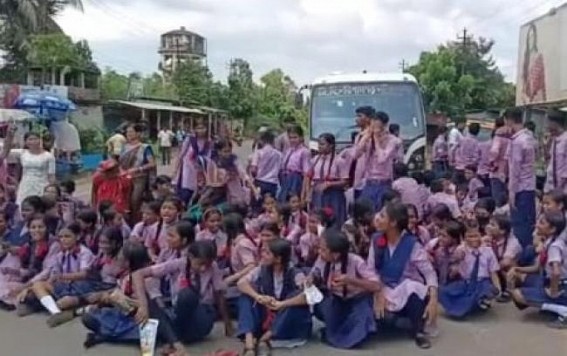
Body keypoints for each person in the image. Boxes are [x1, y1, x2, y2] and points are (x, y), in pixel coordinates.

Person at [370, 201, 437, 349]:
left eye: (382, 216)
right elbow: (371, 272)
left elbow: (429, 273)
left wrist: (433, 299)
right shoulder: (376, 240)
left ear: (393, 222)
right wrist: (379, 294)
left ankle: (417, 331)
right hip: (382, 288)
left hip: (405, 290)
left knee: (413, 288)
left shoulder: (412, 244)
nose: (377, 218)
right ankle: (401, 324)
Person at [237, 239, 312, 355]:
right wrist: (258, 297)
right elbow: (241, 283)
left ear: (278, 259)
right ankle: (249, 343)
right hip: (268, 313)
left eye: (267, 253)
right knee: (246, 297)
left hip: (285, 317)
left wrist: (282, 304)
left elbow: (310, 295)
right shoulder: (261, 269)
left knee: (295, 298)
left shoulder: (295, 272)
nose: (263, 256)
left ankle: (265, 339)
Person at [309, 229, 380, 349]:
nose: (320, 252)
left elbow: (376, 285)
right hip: (336, 299)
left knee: (360, 321)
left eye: (324, 250)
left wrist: (351, 280)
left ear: (335, 254)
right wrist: (310, 279)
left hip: (357, 300)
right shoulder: (323, 259)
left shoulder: (355, 261)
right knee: (323, 307)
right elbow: (315, 272)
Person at [439, 220, 501, 318]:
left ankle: (481, 300)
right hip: (466, 283)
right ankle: (468, 305)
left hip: (482, 282)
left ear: (481, 235)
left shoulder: (488, 251)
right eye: (470, 236)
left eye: (476, 236)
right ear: (464, 238)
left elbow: (493, 272)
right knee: (442, 291)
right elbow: (453, 268)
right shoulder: (461, 250)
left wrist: (498, 288)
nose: (473, 239)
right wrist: (458, 259)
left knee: (488, 290)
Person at [505, 107, 537, 250]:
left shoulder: (517, 141)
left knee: (519, 224)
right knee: (528, 221)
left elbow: (515, 169)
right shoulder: (529, 137)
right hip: (529, 186)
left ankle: (521, 255)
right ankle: (528, 250)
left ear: (509, 120)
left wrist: (511, 193)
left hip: (520, 188)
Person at [354, 111, 397, 211]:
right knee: (366, 212)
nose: (375, 131)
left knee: (383, 212)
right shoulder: (368, 139)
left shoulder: (393, 141)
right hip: (369, 182)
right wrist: (366, 137)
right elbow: (356, 155)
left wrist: (377, 140)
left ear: (385, 126)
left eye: (378, 128)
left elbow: (382, 158)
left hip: (384, 183)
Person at [303, 133, 348, 227]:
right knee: (318, 220)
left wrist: (329, 184)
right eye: (319, 144)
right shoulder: (315, 160)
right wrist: (308, 193)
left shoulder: (339, 160)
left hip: (334, 195)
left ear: (331, 145)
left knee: (334, 220)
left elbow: (345, 181)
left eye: (322, 144)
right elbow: (308, 177)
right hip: (318, 194)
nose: (319, 146)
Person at [4, 126, 56, 206]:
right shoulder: (22, 153)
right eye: (30, 139)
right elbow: (6, 151)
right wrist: (10, 135)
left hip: (42, 184)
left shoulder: (48, 156)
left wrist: (52, 190)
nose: (33, 142)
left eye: (35, 139)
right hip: (26, 185)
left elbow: (51, 175)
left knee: (40, 206)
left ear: (40, 140)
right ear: (25, 142)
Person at [119, 123, 156, 224]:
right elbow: (120, 162)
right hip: (124, 178)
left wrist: (138, 169)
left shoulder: (145, 147)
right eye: (127, 132)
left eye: (131, 132)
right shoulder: (124, 147)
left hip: (139, 179)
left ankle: (136, 223)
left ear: (138, 133)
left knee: (134, 201)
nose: (128, 134)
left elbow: (152, 163)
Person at [174, 118, 212, 206]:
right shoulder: (190, 140)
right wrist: (175, 171)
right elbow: (181, 155)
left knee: (198, 195)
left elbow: (210, 159)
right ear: (194, 129)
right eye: (198, 128)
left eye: (203, 128)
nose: (201, 130)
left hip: (201, 173)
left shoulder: (209, 142)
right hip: (187, 172)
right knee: (185, 194)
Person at [249, 129, 282, 213]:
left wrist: (254, 176)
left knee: (257, 206)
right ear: (273, 141)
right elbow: (281, 170)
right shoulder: (279, 154)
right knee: (271, 206)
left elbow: (253, 169)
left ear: (262, 140)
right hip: (273, 183)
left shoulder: (259, 153)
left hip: (260, 182)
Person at [278, 124, 310, 203]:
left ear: (301, 137)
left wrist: (304, 192)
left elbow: (307, 174)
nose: (292, 140)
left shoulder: (304, 151)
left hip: (296, 181)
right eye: (290, 138)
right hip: (285, 180)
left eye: (295, 137)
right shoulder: (289, 150)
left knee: (293, 203)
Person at [488, 117, 511, 207]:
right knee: (505, 197)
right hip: (509, 172)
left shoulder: (498, 137)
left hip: (497, 171)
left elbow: (494, 151)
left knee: (497, 198)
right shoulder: (511, 138)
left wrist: (491, 162)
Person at [544, 110, 567, 193]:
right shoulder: (554, 139)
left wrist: (559, 188)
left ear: (554, 123)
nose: (546, 126)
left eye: (547, 122)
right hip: (550, 186)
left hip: (562, 190)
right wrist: (546, 146)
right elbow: (549, 160)